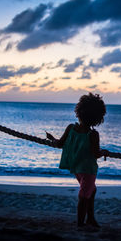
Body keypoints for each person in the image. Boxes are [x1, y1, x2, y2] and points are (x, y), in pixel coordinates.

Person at [46, 93, 108, 228]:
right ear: (98, 118)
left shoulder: (71, 128)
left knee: (91, 190)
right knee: (84, 195)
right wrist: (104, 152)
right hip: (89, 170)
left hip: (77, 169)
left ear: (79, 111)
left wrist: (52, 139)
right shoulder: (93, 134)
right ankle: (80, 224)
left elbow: (60, 144)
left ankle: (90, 218)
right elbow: (96, 154)